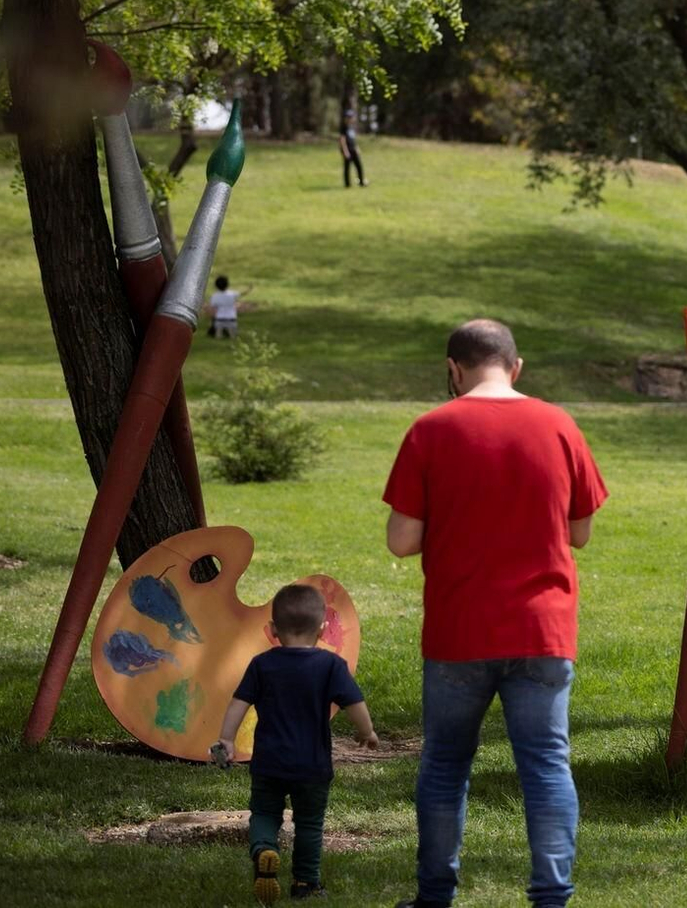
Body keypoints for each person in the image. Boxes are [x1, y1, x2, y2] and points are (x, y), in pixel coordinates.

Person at [383, 319, 608, 908]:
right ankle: (551, 897)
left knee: (445, 765)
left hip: (459, 630)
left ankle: (435, 895)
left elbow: (402, 541)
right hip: (542, 629)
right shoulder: (559, 425)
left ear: (453, 369)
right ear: (516, 366)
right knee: (547, 765)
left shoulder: (431, 429)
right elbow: (581, 532)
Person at [216, 584, 378, 904]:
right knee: (309, 824)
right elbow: (353, 703)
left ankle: (264, 848)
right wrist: (367, 731)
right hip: (312, 765)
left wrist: (227, 739)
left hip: (269, 762)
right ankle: (305, 883)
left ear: (273, 629)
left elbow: (238, 703)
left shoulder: (262, 664)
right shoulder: (330, 666)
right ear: (322, 629)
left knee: (264, 813)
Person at [205, 275, 252, 339]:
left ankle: (219, 338)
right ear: (227, 284)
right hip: (231, 319)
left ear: (216, 285)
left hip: (219, 319)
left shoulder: (214, 296)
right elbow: (242, 294)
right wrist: (249, 289)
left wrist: (212, 320)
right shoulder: (231, 294)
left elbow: (213, 309)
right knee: (232, 336)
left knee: (218, 335)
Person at [339, 109, 366, 188]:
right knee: (347, 167)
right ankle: (347, 184)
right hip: (347, 150)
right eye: (349, 117)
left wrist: (357, 147)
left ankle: (361, 182)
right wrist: (345, 151)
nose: (350, 119)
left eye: (351, 117)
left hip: (353, 149)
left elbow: (353, 139)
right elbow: (342, 140)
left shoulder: (352, 127)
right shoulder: (343, 127)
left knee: (359, 165)